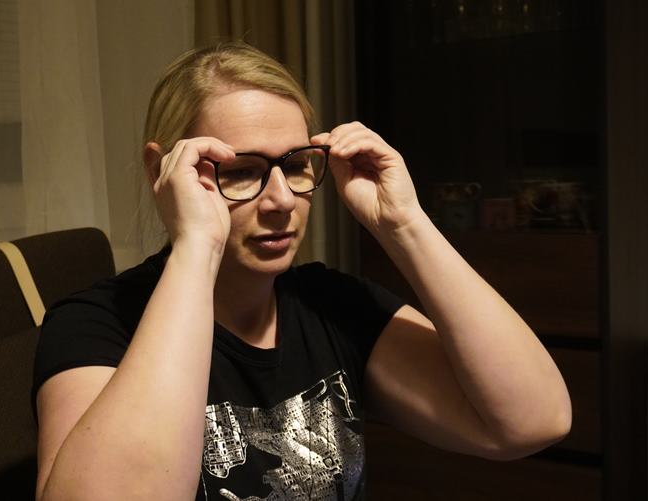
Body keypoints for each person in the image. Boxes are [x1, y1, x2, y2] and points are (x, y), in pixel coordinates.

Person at [32, 42, 571, 500]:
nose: (282, 200)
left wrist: (404, 223)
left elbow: (532, 420)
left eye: (294, 165)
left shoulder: (331, 307)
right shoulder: (97, 324)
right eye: (242, 172)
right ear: (164, 171)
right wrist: (196, 245)